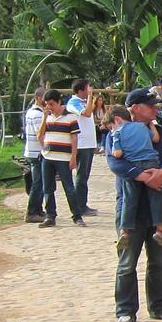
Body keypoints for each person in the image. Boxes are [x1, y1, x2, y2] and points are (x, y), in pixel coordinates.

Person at [107, 87, 162, 322]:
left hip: (159, 203)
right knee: (127, 262)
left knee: (158, 261)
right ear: (135, 108)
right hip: (131, 206)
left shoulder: (161, 132)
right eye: (151, 106)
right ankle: (125, 311)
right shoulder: (115, 132)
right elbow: (115, 163)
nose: (155, 109)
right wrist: (143, 176)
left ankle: (159, 306)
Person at [105, 105, 162, 251]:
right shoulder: (141, 127)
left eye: (110, 127)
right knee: (156, 197)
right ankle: (160, 229)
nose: (111, 130)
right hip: (152, 163)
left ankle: (125, 231)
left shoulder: (117, 132)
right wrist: (152, 126)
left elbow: (118, 154)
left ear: (117, 120)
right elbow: (156, 138)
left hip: (134, 165)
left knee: (129, 199)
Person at [37, 89, 85, 228]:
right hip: (48, 157)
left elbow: (74, 138)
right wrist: (45, 118)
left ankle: (77, 216)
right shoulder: (47, 117)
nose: (49, 107)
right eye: (47, 104)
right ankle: (50, 215)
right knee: (47, 188)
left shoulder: (70, 118)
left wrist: (73, 157)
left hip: (63, 158)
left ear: (59, 102)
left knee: (69, 188)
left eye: (51, 104)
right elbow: (40, 136)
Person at [65, 79, 102, 216]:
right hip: (81, 144)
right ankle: (79, 206)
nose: (89, 90)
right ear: (80, 90)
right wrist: (91, 98)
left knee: (84, 175)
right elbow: (86, 114)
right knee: (81, 176)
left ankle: (82, 203)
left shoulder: (83, 102)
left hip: (88, 143)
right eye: (87, 88)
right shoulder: (73, 102)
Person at [22, 87, 47, 223]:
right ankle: (32, 212)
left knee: (39, 182)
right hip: (37, 152)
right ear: (38, 98)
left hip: (32, 150)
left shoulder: (31, 111)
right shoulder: (37, 114)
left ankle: (38, 210)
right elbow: (40, 134)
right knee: (38, 183)